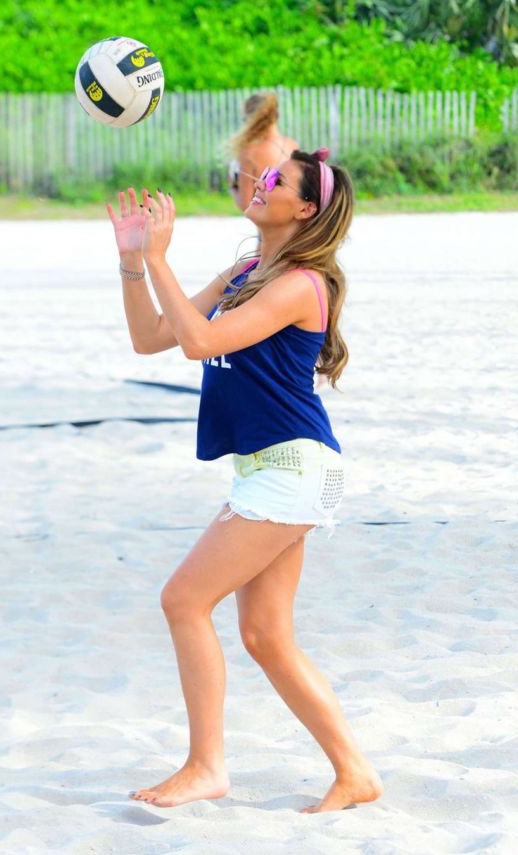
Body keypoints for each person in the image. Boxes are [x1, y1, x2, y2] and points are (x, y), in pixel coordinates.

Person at [106, 148, 384, 813]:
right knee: (265, 635)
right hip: (273, 468)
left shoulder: (303, 284)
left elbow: (203, 343)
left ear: (306, 208)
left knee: (183, 600)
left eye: (277, 180)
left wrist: (165, 258)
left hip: (294, 468)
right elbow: (152, 338)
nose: (259, 184)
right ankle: (355, 772)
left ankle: (206, 765)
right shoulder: (249, 270)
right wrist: (134, 261)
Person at [228, 92, 299, 212]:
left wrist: (232, 187)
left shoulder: (249, 153)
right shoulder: (292, 145)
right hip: (294, 226)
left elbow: (247, 206)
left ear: (252, 120)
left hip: (268, 229)